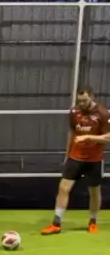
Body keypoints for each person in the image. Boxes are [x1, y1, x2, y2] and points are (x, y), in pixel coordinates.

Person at [41, 86, 110, 235]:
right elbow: (72, 133)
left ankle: (93, 222)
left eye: (85, 100)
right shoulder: (74, 112)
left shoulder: (103, 113)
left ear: (92, 96)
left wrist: (88, 137)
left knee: (94, 191)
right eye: (79, 101)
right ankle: (56, 223)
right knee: (63, 188)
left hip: (94, 159)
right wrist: (67, 154)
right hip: (75, 157)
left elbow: (108, 137)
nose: (82, 104)